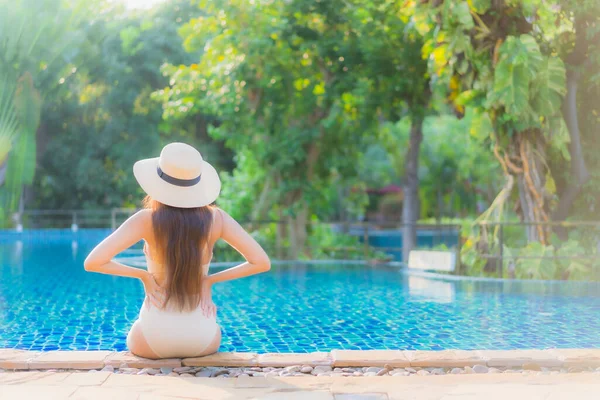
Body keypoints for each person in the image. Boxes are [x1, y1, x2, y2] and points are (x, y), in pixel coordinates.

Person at [84, 142, 271, 359]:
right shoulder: (217, 219)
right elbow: (261, 262)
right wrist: (208, 281)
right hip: (202, 340)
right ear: (197, 185)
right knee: (216, 331)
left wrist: (143, 276)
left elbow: (93, 261)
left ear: (157, 183)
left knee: (134, 331)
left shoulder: (146, 220)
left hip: (153, 339)